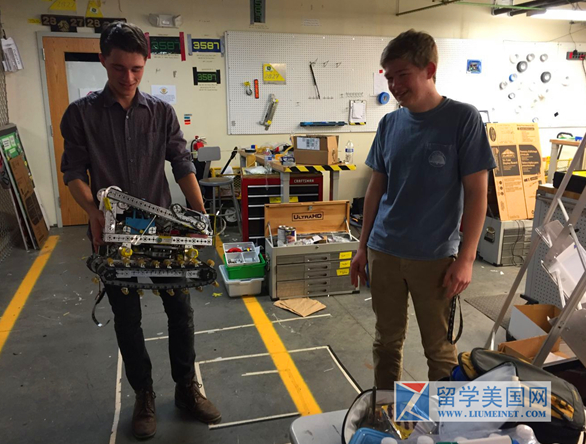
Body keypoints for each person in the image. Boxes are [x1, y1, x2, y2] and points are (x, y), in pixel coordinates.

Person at [60, 22, 221, 439]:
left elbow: (181, 163)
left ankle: (186, 389)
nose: (128, 78)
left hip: (162, 233)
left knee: (180, 312)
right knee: (127, 319)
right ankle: (144, 395)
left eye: (136, 69)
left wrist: (199, 215)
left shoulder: (161, 112)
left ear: (145, 64)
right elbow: (73, 172)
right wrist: (93, 212)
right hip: (114, 236)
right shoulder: (81, 115)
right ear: (103, 60)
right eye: (118, 68)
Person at [350, 29, 496, 389]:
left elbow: (477, 194)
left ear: (429, 70)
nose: (394, 86)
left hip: (434, 258)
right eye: (389, 77)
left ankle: (444, 417)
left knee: (439, 349)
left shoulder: (462, 119)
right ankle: (385, 409)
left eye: (403, 75)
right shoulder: (390, 123)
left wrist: (466, 259)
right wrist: (362, 246)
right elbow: (376, 188)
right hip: (384, 251)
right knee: (386, 342)